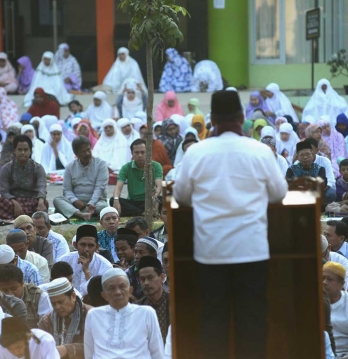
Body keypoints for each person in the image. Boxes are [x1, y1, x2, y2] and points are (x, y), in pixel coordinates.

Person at [174, 90, 288, 359]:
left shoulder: (196, 153)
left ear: (212, 119)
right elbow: (279, 194)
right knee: (252, 321)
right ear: (241, 116)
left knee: (213, 320)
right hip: (252, 250)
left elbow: (181, 197)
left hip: (210, 251)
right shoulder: (260, 151)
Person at [84, 268, 165, 358]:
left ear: (130, 291)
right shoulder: (93, 315)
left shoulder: (146, 313)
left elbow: (157, 352)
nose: (118, 292)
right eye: (111, 288)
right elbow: (89, 353)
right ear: (104, 295)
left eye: (122, 287)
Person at [0, 135, 48, 219]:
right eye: (19, 149)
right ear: (14, 151)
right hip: (13, 201)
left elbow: (42, 187)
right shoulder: (6, 168)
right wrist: (15, 203)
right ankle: (29, 216)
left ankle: (15, 217)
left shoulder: (38, 168)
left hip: (32, 200)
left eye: (25, 150)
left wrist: (41, 201)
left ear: (30, 151)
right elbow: (4, 191)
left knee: (44, 203)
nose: (22, 152)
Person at [52, 138, 108, 221]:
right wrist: (75, 201)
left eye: (88, 149)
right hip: (76, 202)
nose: (87, 153)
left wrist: (91, 203)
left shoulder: (101, 164)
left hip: (96, 202)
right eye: (83, 151)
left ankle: (72, 212)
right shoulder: (70, 167)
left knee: (103, 207)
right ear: (76, 154)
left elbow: (100, 187)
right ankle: (81, 214)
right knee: (57, 199)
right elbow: (67, 190)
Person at [37, 277, 91, 359]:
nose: (57, 307)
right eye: (53, 304)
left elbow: (100, 347)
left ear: (73, 296)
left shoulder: (91, 315)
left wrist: (68, 350)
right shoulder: (46, 321)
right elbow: (38, 348)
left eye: (60, 302)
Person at [111, 139, 163, 217]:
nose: (140, 155)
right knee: (112, 200)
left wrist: (154, 198)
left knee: (165, 199)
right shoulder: (126, 167)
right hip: (133, 202)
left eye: (143, 152)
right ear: (132, 153)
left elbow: (159, 186)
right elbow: (118, 187)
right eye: (136, 152)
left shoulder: (156, 166)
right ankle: (143, 213)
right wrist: (116, 199)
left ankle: (139, 212)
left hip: (150, 200)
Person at [57, 225, 112, 295]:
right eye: (82, 245)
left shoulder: (105, 266)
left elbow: (99, 295)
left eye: (91, 245)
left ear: (97, 247)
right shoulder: (64, 260)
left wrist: (86, 271)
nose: (86, 249)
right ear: (75, 245)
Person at [323, 262, 348, 358]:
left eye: (330, 279)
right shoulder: (313, 303)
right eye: (322, 278)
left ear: (342, 284)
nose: (324, 282)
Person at [0, 265, 52, 329]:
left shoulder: (39, 297)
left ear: (22, 283)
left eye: (14, 289)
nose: (10, 294)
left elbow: (46, 328)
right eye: (5, 290)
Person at [135, 256, 170, 344]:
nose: (146, 283)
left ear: (162, 278)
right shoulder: (137, 308)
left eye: (150, 278)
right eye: (142, 279)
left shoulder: (175, 303)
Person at [325, 221, 348, 288]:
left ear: (341, 238)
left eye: (328, 235)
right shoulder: (322, 251)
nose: (325, 238)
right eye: (324, 234)